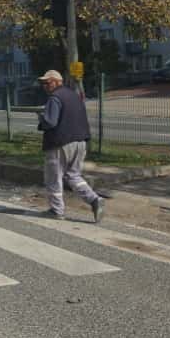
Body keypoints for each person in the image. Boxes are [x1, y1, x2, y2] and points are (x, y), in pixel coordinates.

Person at [36, 70, 105, 223]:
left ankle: (56, 211)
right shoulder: (74, 95)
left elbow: (50, 122)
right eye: (43, 83)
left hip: (60, 143)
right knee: (73, 175)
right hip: (80, 141)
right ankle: (94, 200)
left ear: (57, 82)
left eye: (47, 82)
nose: (44, 86)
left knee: (53, 178)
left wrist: (41, 119)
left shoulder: (55, 98)